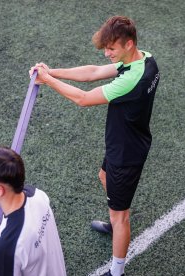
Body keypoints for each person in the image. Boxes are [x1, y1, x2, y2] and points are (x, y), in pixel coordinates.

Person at [30, 15, 160, 276]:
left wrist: (48, 81)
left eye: (111, 49)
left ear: (129, 44)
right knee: (104, 177)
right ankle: (116, 221)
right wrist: (51, 71)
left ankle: (116, 270)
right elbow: (93, 73)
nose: (107, 54)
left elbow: (84, 99)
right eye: (105, 48)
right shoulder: (145, 59)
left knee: (120, 215)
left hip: (126, 153)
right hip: (124, 142)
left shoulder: (132, 79)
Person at [0, 146, 66, 276]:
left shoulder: (7, 248)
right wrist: (2, 235)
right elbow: (29, 238)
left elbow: (15, 246)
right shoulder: (37, 195)